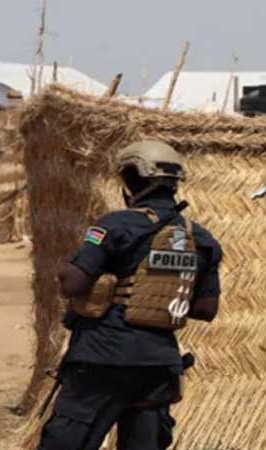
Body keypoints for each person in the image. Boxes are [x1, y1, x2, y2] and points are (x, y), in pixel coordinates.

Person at [37, 141, 222, 450]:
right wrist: (157, 294)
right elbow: (206, 308)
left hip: (102, 359)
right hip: (158, 368)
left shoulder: (116, 225)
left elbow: (73, 284)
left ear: (131, 180)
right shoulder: (200, 238)